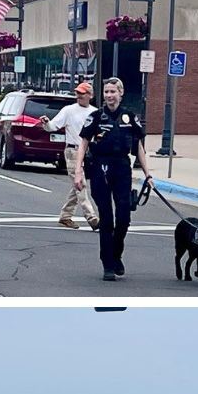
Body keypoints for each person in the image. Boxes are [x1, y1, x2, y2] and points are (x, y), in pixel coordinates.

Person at [75, 77, 153, 281]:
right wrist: (78, 171)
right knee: (107, 218)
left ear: (121, 93)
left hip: (122, 167)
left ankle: (116, 253)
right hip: (100, 167)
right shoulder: (96, 117)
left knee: (124, 217)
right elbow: (83, 143)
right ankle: (108, 263)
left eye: (113, 91)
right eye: (106, 92)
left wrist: (148, 174)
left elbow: (139, 147)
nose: (109, 95)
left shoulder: (130, 117)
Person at [40, 82, 100, 231]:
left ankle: (65, 216)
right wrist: (46, 123)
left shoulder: (95, 112)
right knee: (80, 184)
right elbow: (53, 126)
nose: (79, 96)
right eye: (77, 93)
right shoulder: (69, 110)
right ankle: (92, 218)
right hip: (73, 151)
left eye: (82, 93)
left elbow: (100, 133)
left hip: (89, 152)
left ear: (90, 95)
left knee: (77, 185)